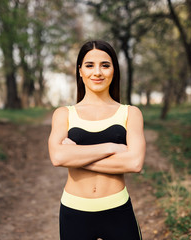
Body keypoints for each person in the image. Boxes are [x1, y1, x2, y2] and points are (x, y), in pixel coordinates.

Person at [48, 40, 146, 240]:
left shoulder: (131, 113)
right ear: (80, 71)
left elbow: (134, 163)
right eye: (90, 65)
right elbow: (58, 157)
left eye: (105, 65)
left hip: (118, 209)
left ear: (114, 70)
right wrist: (112, 147)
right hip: (74, 211)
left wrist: (76, 157)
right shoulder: (64, 114)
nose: (98, 72)